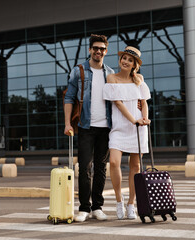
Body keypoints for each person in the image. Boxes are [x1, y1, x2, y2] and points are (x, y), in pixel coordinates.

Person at [64, 34, 115, 222]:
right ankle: (84, 208)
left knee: (101, 168)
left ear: (106, 51)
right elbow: (69, 98)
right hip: (85, 126)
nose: (99, 51)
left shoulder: (110, 73)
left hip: (106, 128)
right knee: (84, 167)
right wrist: (68, 123)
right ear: (90, 50)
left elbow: (119, 99)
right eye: (95, 48)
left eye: (102, 49)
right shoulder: (79, 71)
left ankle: (97, 207)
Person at [103, 46, 151, 220]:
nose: (125, 61)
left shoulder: (139, 79)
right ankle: (118, 201)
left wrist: (144, 118)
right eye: (124, 58)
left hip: (138, 127)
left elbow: (144, 103)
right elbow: (118, 103)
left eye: (130, 60)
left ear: (134, 65)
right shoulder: (112, 78)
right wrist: (134, 120)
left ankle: (131, 204)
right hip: (121, 127)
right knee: (114, 162)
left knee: (135, 167)